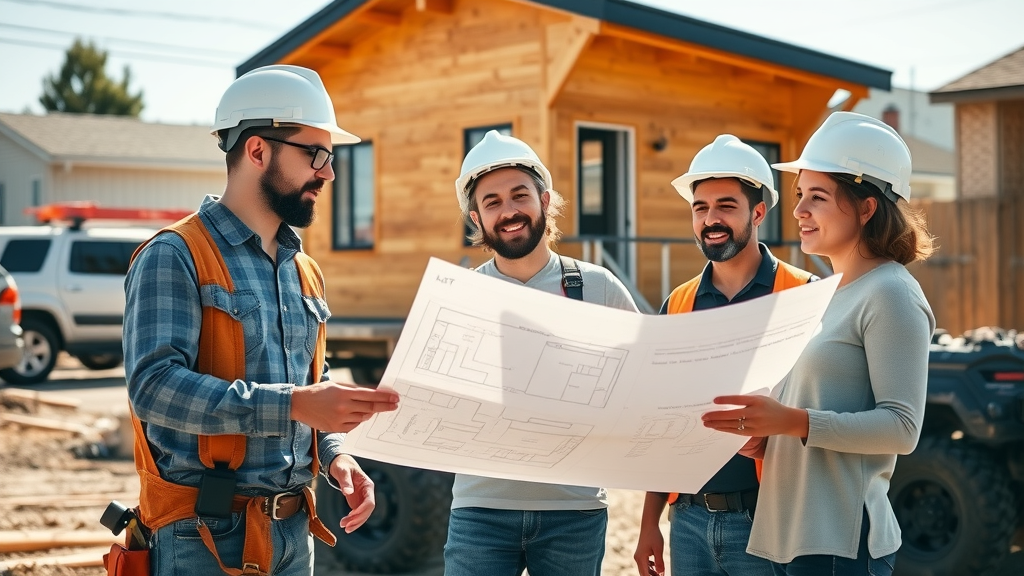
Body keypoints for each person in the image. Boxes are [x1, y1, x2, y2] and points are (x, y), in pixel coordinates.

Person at [123, 64, 400, 576]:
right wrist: (293, 404)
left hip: (294, 534)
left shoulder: (304, 270)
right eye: (316, 155)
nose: (329, 173)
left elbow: (311, 383)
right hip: (202, 539)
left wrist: (336, 454)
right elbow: (154, 388)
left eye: (331, 157)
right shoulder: (175, 255)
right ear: (257, 151)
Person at [702, 112, 935, 576]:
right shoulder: (824, 294)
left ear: (867, 208)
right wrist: (768, 439)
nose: (799, 211)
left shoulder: (891, 292)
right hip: (793, 536)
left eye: (818, 197)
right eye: (800, 195)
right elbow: (819, 411)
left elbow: (902, 428)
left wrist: (792, 421)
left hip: (840, 541)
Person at [444, 130, 640, 576]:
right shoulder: (460, 295)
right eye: (492, 202)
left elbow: (644, 383)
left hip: (574, 512)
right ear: (476, 218)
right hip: (480, 512)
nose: (508, 211)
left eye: (520, 195)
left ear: (544, 201)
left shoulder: (598, 288)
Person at [633, 135, 815, 576]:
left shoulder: (803, 296)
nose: (710, 219)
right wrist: (649, 522)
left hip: (768, 519)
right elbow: (663, 421)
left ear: (758, 213)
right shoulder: (678, 304)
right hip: (688, 522)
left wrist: (770, 441)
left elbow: (823, 413)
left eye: (726, 206)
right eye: (700, 208)